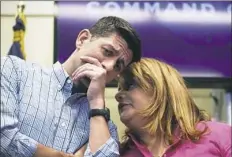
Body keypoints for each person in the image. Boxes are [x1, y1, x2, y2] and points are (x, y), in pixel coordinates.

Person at [0, 16, 141, 157]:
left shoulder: (105, 127)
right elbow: (4, 138)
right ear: (82, 39)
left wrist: (97, 102)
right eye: (107, 52)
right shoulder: (13, 70)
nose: (108, 66)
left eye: (118, 66)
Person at [115, 58, 231, 157]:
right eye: (119, 89)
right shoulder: (121, 153)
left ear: (162, 90)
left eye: (130, 86)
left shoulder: (219, 135)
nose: (118, 96)